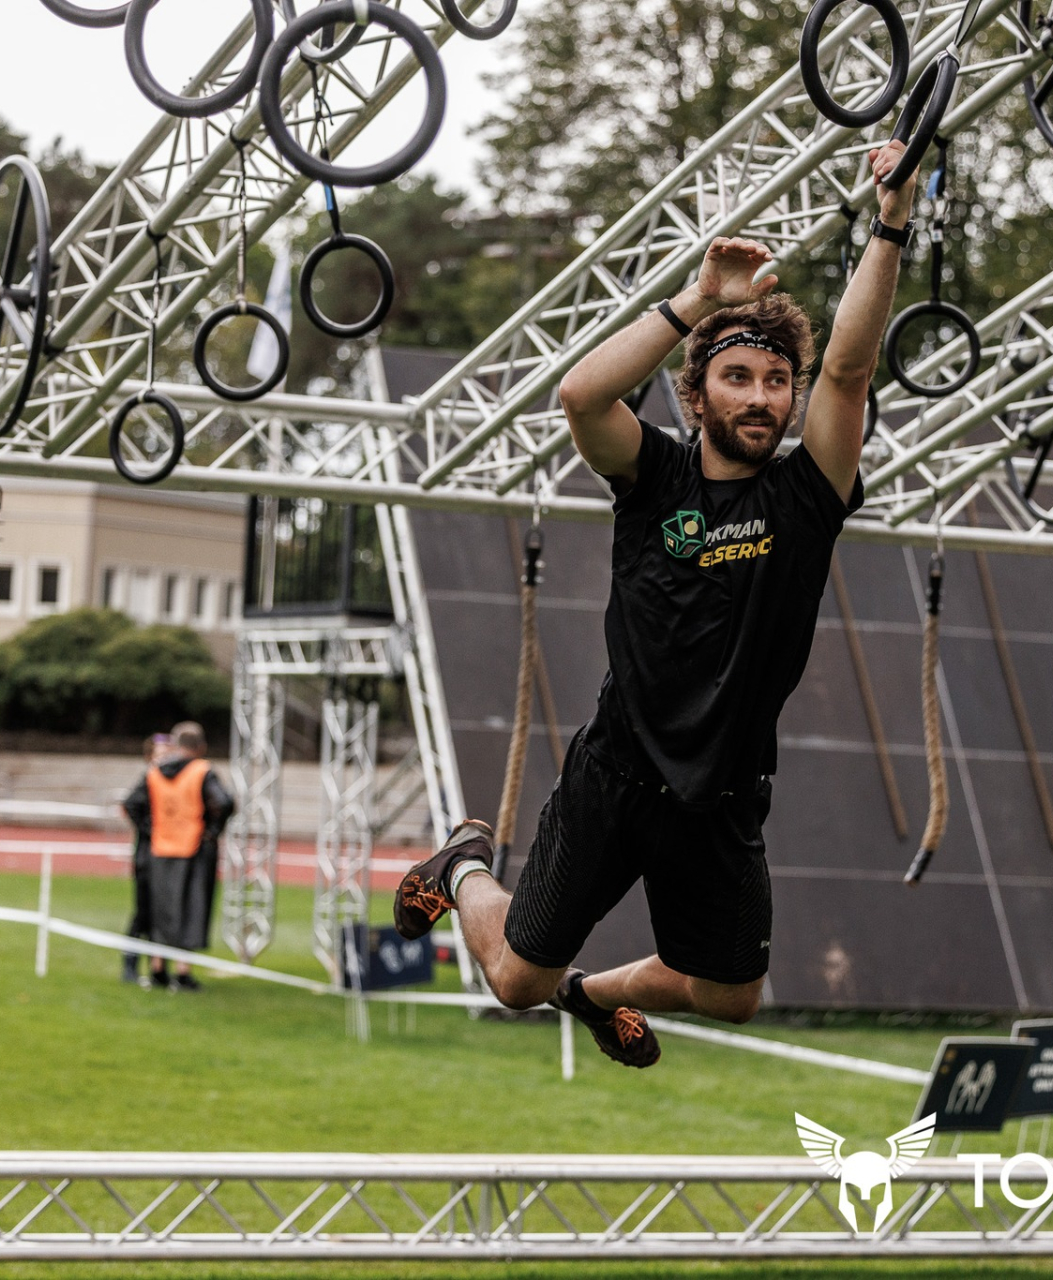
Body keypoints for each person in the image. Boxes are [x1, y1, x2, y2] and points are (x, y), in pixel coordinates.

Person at [391, 141, 919, 1070]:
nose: (762, 398)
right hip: (617, 779)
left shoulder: (806, 497)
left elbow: (849, 370)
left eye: (774, 381)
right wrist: (698, 303)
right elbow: (580, 393)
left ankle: (593, 995)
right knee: (513, 983)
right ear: (697, 392)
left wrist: (892, 219)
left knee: (733, 995)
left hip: (721, 797)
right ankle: (463, 868)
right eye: (738, 378)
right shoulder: (654, 476)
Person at [122, 722, 232, 990]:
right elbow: (225, 802)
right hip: (192, 849)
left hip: (160, 848)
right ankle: (183, 973)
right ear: (201, 747)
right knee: (189, 910)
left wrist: (153, 829)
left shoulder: (154, 772)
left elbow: (131, 804)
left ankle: (158, 969)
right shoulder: (202, 771)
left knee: (162, 910)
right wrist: (211, 831)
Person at [121, 732, 171, 986]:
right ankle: (129, 965)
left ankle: (160, 969)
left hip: (166, 857)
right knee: (142, 914)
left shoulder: (170, 783)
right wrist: (152, 829)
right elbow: (130, 806)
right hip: (147, 859)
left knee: (164, 915)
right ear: (149, 757)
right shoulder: (148, 782)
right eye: (160, 755)